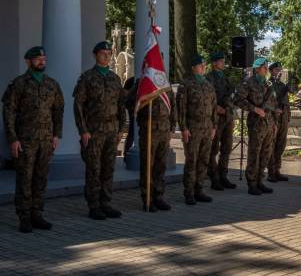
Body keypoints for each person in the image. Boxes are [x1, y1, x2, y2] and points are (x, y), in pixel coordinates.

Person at [2, 46, 64, 233]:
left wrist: (57, 135)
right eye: (37, 59)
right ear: (28, 62)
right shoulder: (19, 84)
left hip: (45, 140)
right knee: (24, 179)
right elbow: (9, 112)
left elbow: (58, 110)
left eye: (43, 58)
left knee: (41, 178)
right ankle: (24, 217)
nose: (42, 61)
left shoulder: (51, 84)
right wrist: (13, 139)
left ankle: (37, 214)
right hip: (25, 140)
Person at [73, 41, 127, 220]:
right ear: (95, 55)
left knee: (108, 167)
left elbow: (121, 105)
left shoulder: (115, 78)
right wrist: (83, 130)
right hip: (94, 130)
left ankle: (106, 202)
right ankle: (94, 205)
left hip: (112, 129)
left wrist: (121, 128)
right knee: (94, 168)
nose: (107, 56)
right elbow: (78, 105)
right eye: (103, 53)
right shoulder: (87, 78)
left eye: (109, 53)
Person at [128, 78, 176, 212]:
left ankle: (159, 196)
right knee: (148, 165)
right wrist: (142, 106)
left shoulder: (166, 83)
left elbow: (172, 106)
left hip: (164, 130)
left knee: (161, 165)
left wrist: (172, 127)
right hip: (149, 129)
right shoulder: (143, 82)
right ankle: (147, 198)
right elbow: (130, 102)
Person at [177, 55, 217, 205]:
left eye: (204, 65)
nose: (203, 67)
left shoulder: (208, 85)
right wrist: (184, 128)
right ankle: (189, 192)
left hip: (207, 128)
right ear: (193, 68)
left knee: (203, 160)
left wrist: (214, 127)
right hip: (193, 128)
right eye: (200, 65)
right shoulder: (186, 84)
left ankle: (199, 189)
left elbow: (213, 107)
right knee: (192, 160)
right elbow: (181, 109)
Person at [234, 57, 277, 196]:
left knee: (266, 153)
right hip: (256, 123)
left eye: (266, 67)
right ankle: (252, 183)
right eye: (264, 67)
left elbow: (273, 105)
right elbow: (238, 99)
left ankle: (260, 180)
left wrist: (274, 122)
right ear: (257, 69)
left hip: (268, 123)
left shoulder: (268, 84)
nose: (266, 69)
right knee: (254, 153)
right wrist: (254, 108)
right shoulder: (248, 83)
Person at [205, 51, 236, 191]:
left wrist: (231, 112)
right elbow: (206, 97)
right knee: (213, 149)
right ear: (214, 63)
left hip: (227, 117)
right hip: (216, 118)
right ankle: (214, 177)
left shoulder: (226, 78)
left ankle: (223, 175)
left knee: (227, 148)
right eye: (221, 61)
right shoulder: (209, 77)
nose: (223, 63)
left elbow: (231, 96)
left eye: (223, 61)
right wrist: (215, 107)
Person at [267, 62, 290, 183]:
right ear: (271, 71)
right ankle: (270, 172)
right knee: (272, 145)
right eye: (276, 70)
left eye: (280, 70)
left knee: (281, 145)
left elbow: (286, 103)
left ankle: (277, 170)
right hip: (274, 119)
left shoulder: (282, 85)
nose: (279, 72)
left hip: (284, 119)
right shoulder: (268, 85)